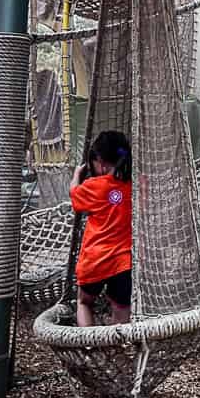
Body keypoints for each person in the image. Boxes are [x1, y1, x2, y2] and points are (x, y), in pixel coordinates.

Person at [69, 130, 133, 328]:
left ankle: (89, 345)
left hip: (95, 261)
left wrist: (76, 175)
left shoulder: (94, 186)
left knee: (84, 302)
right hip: (123, 262)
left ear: (101, 162)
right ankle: (116, 349)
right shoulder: (136, 185)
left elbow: (74, 197)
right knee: (122, 309)